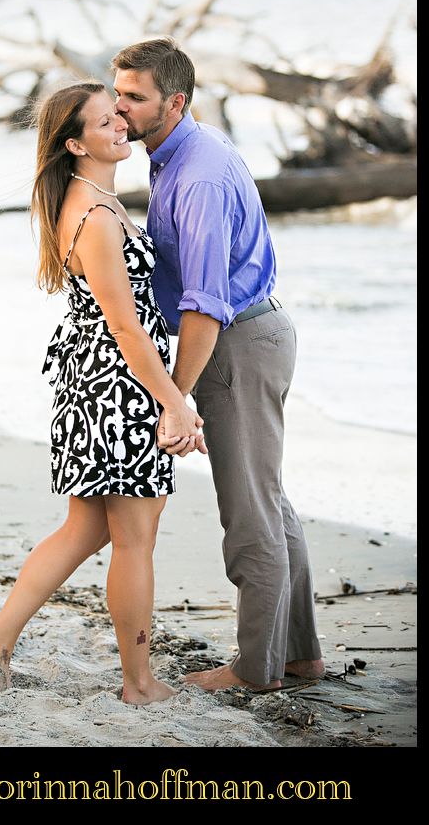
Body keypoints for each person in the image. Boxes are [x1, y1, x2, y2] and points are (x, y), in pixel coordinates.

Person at [0, 81, 204, 705]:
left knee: (86, 530)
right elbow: (125, 325)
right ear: (75, 143)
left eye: (119, 113)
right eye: (106, 121)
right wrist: (174, 401)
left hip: (97, 379)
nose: (121, 124)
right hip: (118, 386)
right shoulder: (94, 216)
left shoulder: (95, 197)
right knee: (135, 538)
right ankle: (138, 683)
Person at [112, 37, 325, 692]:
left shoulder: (198, 176)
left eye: (134, 97)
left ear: (175, 102)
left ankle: (256, 670)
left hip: (237, 345)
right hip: (250, 336)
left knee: (249, 515)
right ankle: (299, 654)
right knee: (269, 501)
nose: (119, 108)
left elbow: (204, 308)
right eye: (115, 92)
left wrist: (174, 398)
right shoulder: (173, 154)